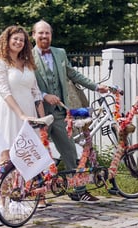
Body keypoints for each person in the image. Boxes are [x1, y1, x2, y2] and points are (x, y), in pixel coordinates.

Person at [31, 20, 108, 203]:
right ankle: (38, 195)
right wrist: (44, 95)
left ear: (51, 35)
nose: (44, 36)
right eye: (40, 33)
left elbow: (73, 74)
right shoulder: (27, 56)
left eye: (47, 33)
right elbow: (25, 83)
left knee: (71, 152)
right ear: (33, 35)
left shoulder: (60, 53)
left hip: (58, 113)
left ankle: (78, 190)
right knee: (36, 155)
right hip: (37, 113)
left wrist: (96, 87)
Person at [0, 25, 48, 226]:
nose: (18, 42)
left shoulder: (27, 64)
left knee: (23, 159)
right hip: (8, 114)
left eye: (22, 40)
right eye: (15, 39)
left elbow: (36, 93)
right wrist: (20, 113)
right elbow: (4, 92)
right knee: (6, 161)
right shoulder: (0, 64)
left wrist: (42, 119)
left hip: (28, 114)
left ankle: (17, 200)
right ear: (7, 40)